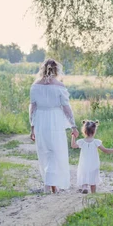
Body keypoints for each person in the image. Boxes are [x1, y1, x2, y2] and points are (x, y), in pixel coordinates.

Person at [29, 59, 78, 193]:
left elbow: (32, 108)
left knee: (45, 151)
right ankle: (50, 183)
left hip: (40, 119)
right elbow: (66, 108)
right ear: (56, 70)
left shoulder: (35, 86)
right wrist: (73, 126)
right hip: (55, 119)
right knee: (55, 152)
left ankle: (50, 183)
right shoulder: (59, 86)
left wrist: (32, 127)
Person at [71, 120, 113, 194]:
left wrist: (73, 136)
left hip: (84, 164)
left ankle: (84, 188)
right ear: (94, 131)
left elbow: (73, 145)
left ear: (84, 131)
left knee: (84, 176)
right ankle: (93, 193)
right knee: (93, 179)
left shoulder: (81, 142)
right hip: (94, 164)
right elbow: (105, 150)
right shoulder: (96, 142)